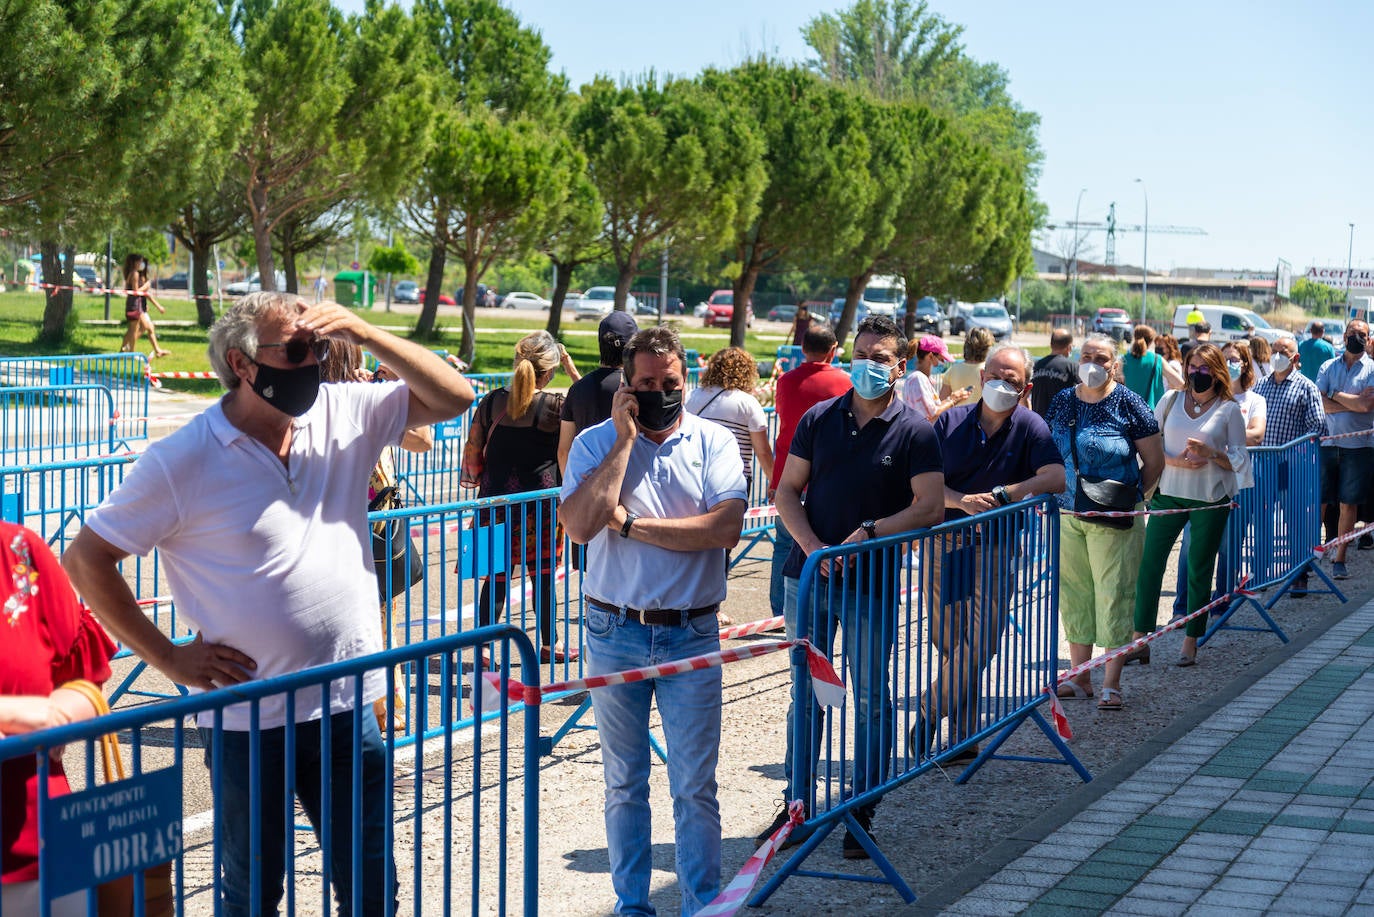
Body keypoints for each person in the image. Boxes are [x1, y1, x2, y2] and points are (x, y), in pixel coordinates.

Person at [63, 292, 475, 917]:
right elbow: (86, 559)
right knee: (253, 892)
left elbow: (456, 397)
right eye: (299, 349)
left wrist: (366, 334)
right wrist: (169, 658)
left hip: (348, 704)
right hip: (247, 720)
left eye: (321, 347)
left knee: (370, 888)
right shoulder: (183, 459)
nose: (315, 362)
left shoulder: (342, 410)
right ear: (242, 362)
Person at [558, 326, 745, 917]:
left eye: (670, 382)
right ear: (625, 385)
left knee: (694, 785)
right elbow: (579, 525)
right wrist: (622, 442)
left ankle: (701, 905)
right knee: (624, 782)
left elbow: (724, 528)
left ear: (687, 380)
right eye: (646, 383)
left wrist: (632, 525)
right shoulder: (594, 443)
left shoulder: (713, 441)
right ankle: (632, 906)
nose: (659, 392)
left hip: (692, 632)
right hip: (614, 631)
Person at [769, 315, 944, 858]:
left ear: (900, 366)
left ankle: (862, 807)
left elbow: (929, 507)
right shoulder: (820, 418)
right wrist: (813, 547)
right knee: (807, 694)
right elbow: (786, 492)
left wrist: (869, 533)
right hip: (808, 579)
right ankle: (797, 803)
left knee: (869, 696)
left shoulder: (915, 431)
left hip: (872, 582)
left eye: (880, 357)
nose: (867, 364)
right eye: (861, 353)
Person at [924, 344, 1064, 749]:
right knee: (950, 642)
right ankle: (964, 741)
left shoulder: (1031, 426)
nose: (1001, 384)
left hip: (995, 546)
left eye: (1011, 380)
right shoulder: (949, 421)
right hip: (946, 543)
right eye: (995, 376)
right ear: (982, 377)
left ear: (1026, 388)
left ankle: (930, 709)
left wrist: (1007, 493)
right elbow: (924, 483)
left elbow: (1056, 476)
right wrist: (962, 501)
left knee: (983, 641)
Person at [1, 522, 118, 916]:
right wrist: (15, 713)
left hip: (42, 850)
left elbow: (85, 677)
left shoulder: (18, 550)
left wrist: (57, 715)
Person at [318, 342, 434, 732]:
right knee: (367, 621)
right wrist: (394, 388)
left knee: (367, 620)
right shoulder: (344, 401)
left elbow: (421, 440)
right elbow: (424, 438)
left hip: (356, 527)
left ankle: (376, 707)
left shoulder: (349, 400)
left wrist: (389, 392)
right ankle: (370, 709)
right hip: (354, 528)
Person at [1046, 335, 1163, 710]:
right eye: (1087, 356)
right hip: (1068, 512)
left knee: (1114, 594)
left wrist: (1131, 499)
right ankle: (1080, 676)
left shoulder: (1130, 403)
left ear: (1115, 364)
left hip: (1115, 517)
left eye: (1101, 358)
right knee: (1074, 594)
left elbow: (1155, 462)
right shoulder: (1063, 400)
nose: (1092, 363)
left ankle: (1111, 682)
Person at [465, 331, 581, 663]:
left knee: (495, 579)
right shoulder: (557, 407)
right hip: (540, 507)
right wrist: (572, 369)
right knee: (543, 578)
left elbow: (473, 454)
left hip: (494, 503)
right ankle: (550, 644)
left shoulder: (490, 402)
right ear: (550, 371)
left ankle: (483, 647)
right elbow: (587, 417)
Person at [1131, 343, 1249, 668]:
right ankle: (1140, 638)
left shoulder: (1229, 409)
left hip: (1209, 498)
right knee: (1149, 564)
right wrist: (1173, 461)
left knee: (1199, 567)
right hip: (1169, 492)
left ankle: (1191, 639)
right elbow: (1149, 443)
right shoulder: (1170, 400)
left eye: (1204, 368)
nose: (1197, 373)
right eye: (1192, 367)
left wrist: (1213, 454)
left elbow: (1241, 459)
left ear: (1217, 371)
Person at [768, 323, 851, 622]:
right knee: (826, 546)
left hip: (786, 476)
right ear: (833, 350)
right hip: (826, 479)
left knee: (783, 544)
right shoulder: (844, 381)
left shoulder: (785, 381)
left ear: (802, 348)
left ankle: (779, 612)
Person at [1254, 335, 1324, 594]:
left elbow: (1318, 427)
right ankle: (1261, 573)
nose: (1277, 355)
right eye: (1274, 350)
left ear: (1295, 357)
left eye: (1283, 351)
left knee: (1294, 522)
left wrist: (1295, 450)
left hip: (1292, 467)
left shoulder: (1307, 387)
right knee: (1262, 521)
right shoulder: (1260, 385)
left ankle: (1298, 574)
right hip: (1262, 465)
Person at [1315, 319, 1374, 580]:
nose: (1356, 337)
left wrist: (1334, 394)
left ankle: (1340, 557)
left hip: (1359, 447)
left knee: (1348, 503)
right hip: (1328, 443)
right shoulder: (1327, 366)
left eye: (1362, 334)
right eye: (1352, 332)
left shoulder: (1372, 369)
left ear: (1368, 339)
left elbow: (1366, 407)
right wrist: (1353, 401)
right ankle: (1311, 554)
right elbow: (1319, 403)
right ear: (1344, 335)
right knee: (1320, 501)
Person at [558, 311, 637, 475]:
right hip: (628, 477)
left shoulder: (577, 389)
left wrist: (572, 486)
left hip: (586, 480)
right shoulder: (634, 388)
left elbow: (564, 451)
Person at [902, 334, 968, 423]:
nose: (943, 363)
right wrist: (953, 400)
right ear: (930, 356)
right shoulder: (917, 379)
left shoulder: (923, 379)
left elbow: (933, 409)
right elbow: (931, 415)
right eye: (941, 359)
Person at [120, 252, 171, 358]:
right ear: (135, 262)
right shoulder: (135, 273)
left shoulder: (135, 273)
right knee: (134, 330)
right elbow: (136, 291)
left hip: (137, 305)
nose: (141, 264)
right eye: (140, 261)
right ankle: (129, 352)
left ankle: (125, 350)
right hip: (134, 306)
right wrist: (146, 286)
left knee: (137, 329)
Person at [940, 327, 994, 404]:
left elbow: (942, 401)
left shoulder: (953, 370)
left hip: (958, 412)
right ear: (988, 347)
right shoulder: (991, 372)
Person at [1030, 328, 1076, 417]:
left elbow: (1025, 396)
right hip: (1062, 421)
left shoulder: (1036, 365)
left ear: (1051, 345)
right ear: (1069, 347)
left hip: (1038, 420)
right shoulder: (1072, 367)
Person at [1121, 324, 1166, 408]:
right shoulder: (1157, 359)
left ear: (1134, 337)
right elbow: (1178, 383)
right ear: (1151, 342)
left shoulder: (1123, 359)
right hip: (1151, 411)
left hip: (1128, 410)